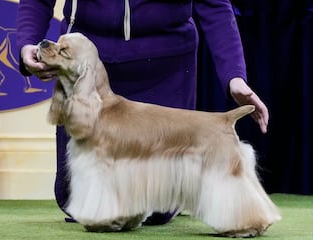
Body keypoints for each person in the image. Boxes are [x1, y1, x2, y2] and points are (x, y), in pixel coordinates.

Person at [17, 0, 269, 225]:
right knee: (78, 204)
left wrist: (234, 77)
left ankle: (242, 214)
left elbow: (214, 5)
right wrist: (27, 41)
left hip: (164, 65)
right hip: (86, 61)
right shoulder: (80, 63)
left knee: (159, 213)